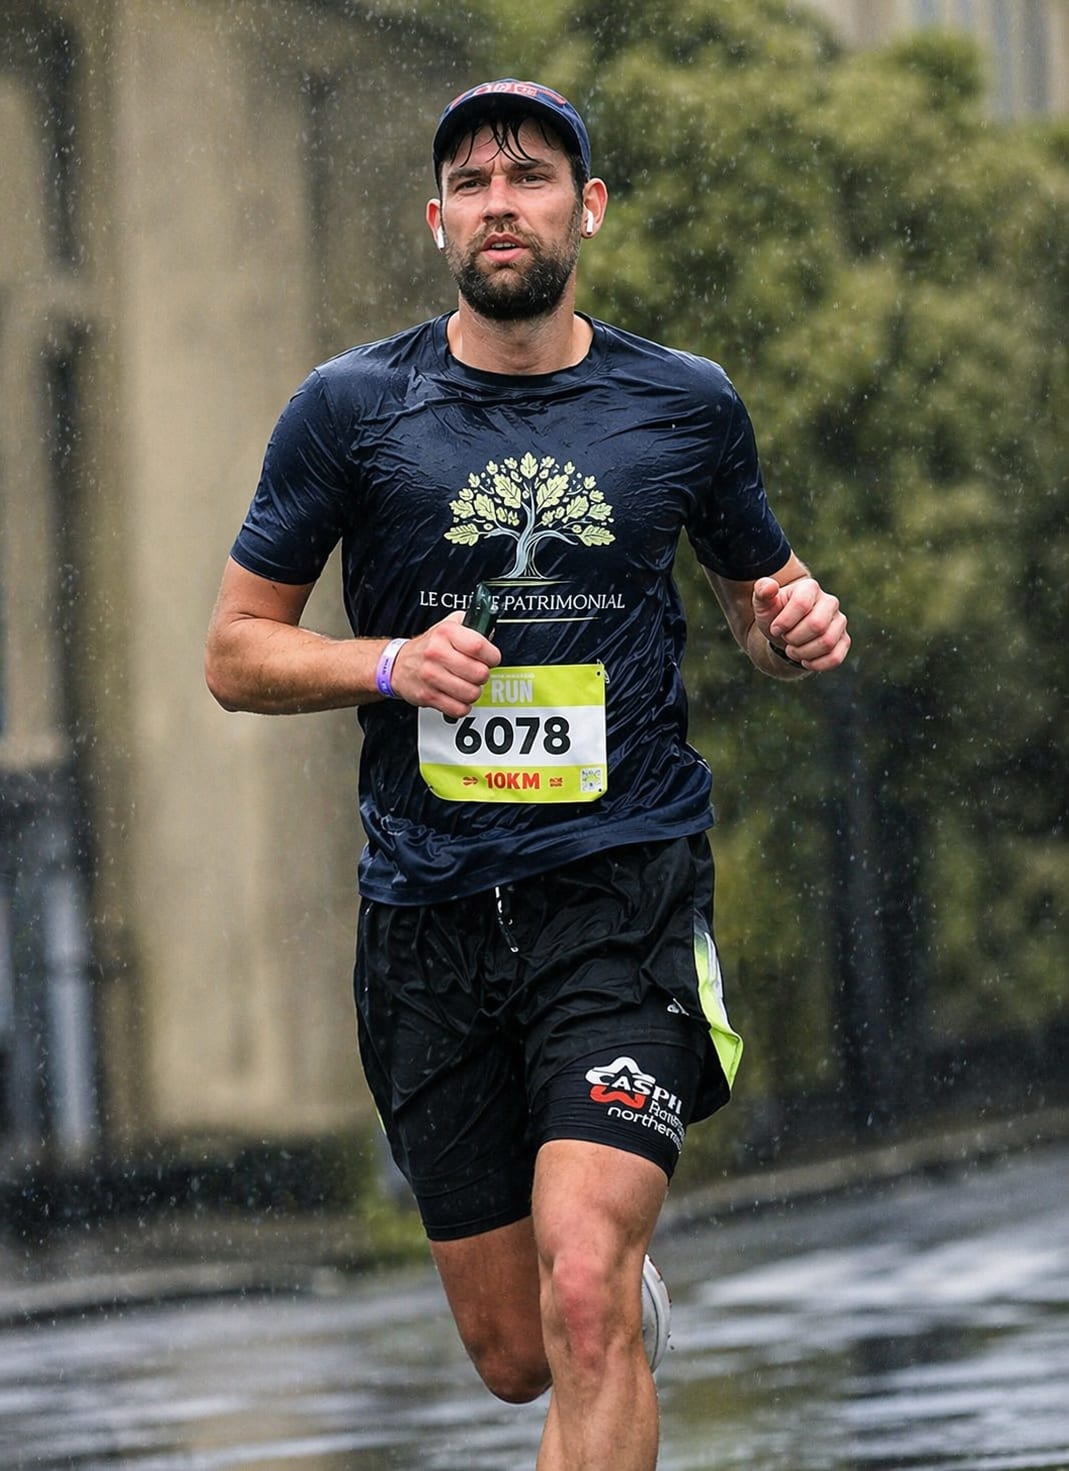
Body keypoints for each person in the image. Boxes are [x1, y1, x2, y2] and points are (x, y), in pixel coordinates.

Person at [205, 77, 850, 1471]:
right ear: (438, 220)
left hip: (616, 899)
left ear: (587, 208)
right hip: (428, 922)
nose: (504, 202)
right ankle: (607, 1305)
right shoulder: (351, 411)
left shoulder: (680, 405)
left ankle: (602, 1293)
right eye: (475, 183)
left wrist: (794, 622)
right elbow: (236, 654)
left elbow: (761, 597)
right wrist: (387, 664)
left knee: (577, 1292)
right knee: (513, 1357)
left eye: (534, 175)